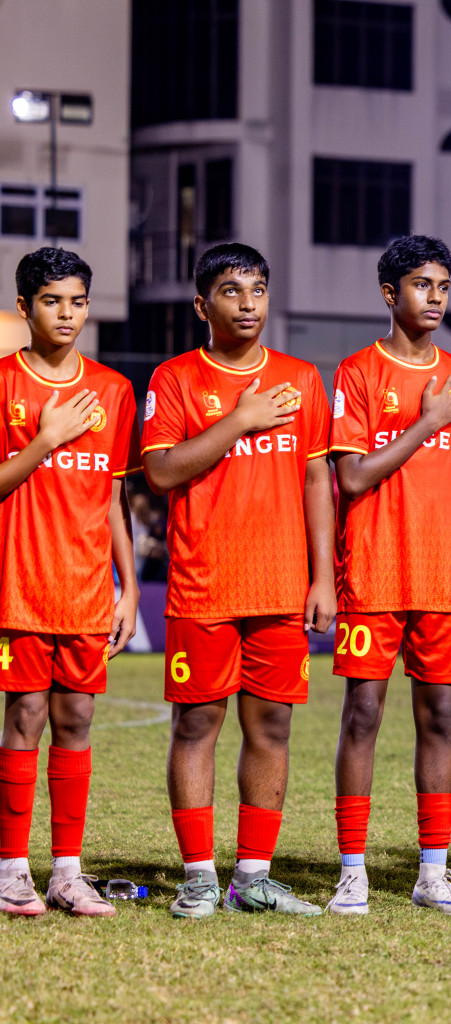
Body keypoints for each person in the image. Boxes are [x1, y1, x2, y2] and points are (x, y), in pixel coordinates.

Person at [143, 243, 334, 918]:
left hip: (281, 585)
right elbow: (162, 472)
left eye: (257, 289)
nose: (248, 303)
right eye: (231, 291)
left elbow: (317, 479)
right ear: (203, 305)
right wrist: (240, 420)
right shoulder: (174, 379)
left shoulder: (302, 378)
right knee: (196, 725)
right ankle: (198, 877)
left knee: (272, 729)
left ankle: (251, 878)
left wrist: (322, 578)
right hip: (203, 584)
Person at [327, 235, 451, 916]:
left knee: (442, 716)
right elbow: (354, 474)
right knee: (363, 713)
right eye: (422, 285)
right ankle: (353, 870)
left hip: (445, 574)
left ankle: (433, 870)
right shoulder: (358, 372)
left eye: (443, 286)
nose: (435, 298)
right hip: (375, 570)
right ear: (390, 292)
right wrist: (425, 424)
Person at [0, 248, 137, 917]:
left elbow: (112, 500)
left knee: (77, 719)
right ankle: (10, 869)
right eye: (52, 301)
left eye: (77, 301)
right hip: (19, 584)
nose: (66, 314)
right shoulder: (3, 383)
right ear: (24, 307)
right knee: (24, 717)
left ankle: (67, 873)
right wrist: (44, 440)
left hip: (86, 588)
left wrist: (129, 587)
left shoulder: (111, 389)